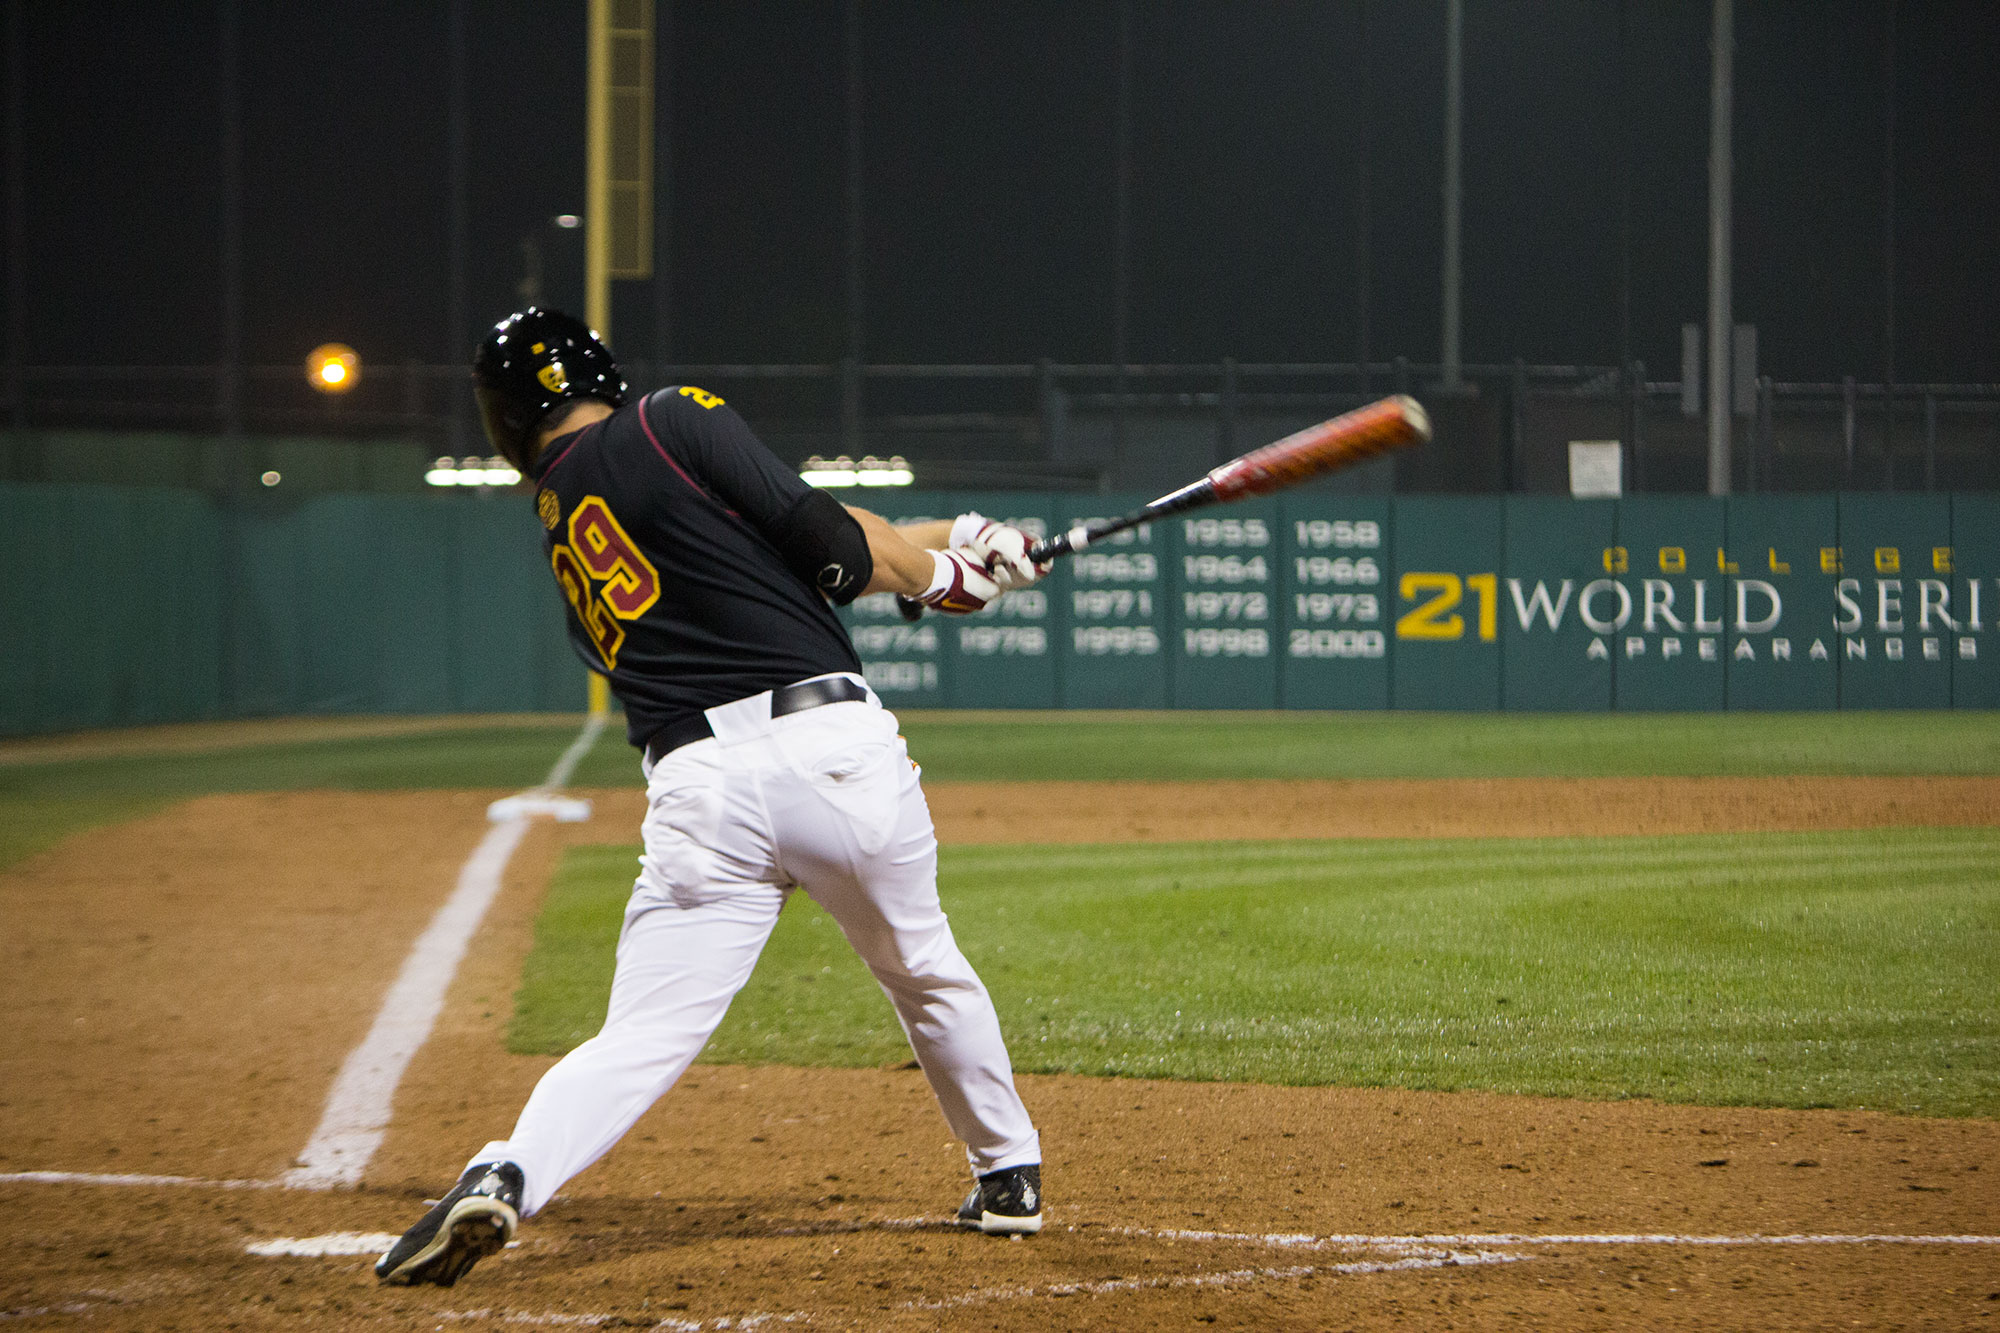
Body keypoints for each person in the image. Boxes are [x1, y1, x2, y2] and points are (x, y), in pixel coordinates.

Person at [375, 307, 1049, 1287]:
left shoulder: (564, 517)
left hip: (695, 790)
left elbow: (795, 547)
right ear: (598, 372)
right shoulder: (666, 417)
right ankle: (1007, 1177)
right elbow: (833, 553)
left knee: (642, 1031)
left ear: (508, 419)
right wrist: (950, 573)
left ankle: (508, 1169)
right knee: (919, 963)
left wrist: (954, 546)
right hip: (829, 753)